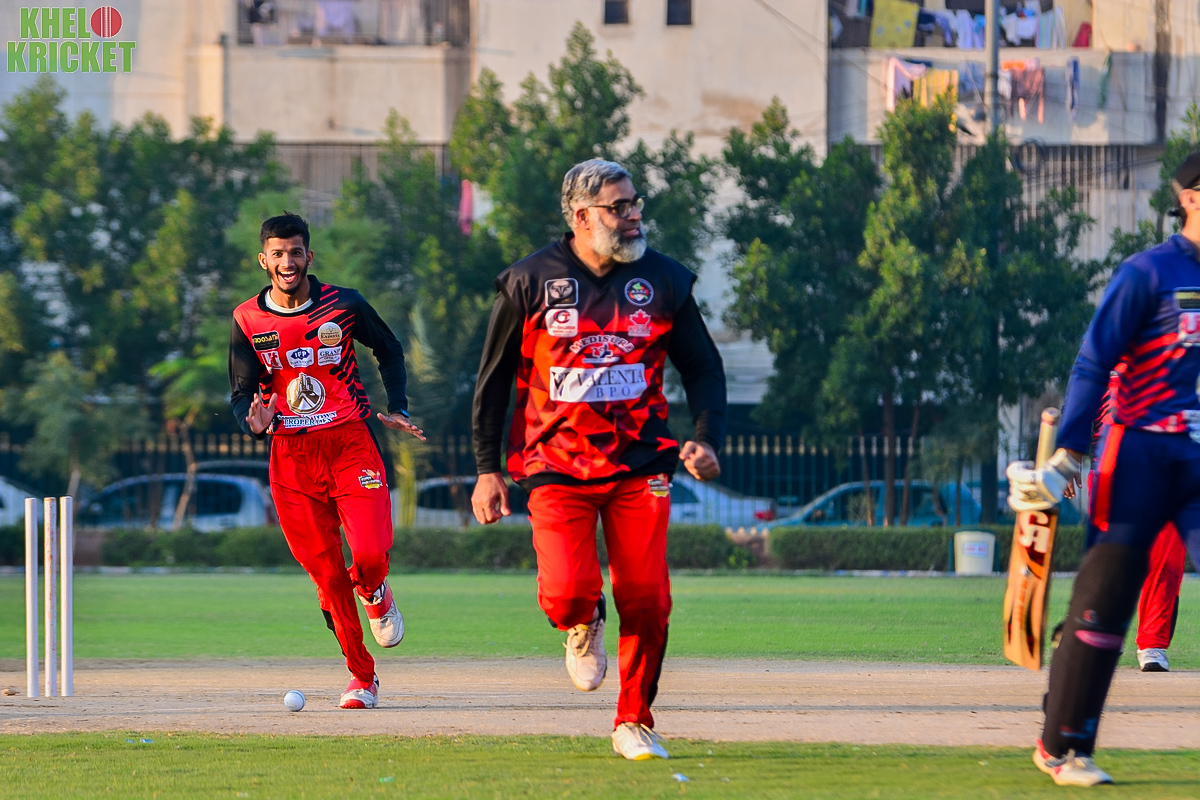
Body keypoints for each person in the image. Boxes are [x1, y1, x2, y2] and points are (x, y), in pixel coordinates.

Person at [470, 159, 727, 761]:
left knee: (648, 597)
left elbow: (703, 368)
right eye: (620, 206)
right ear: (582, 217)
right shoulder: (529, 281)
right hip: (554, 463)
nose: (634, 215)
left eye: (636, 203)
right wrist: (487, 468)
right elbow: (493, 380)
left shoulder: (664, 280)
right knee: (564, 593)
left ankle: (634, 720)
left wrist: (707, 437)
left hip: (642, 463)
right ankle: (583, 617)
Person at [1007, 152, 1200, 787]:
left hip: (1195, 454)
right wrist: (1068, 455)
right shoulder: (1148, 273)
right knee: (1104, 607)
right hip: (1136, 454)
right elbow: (1093, 363)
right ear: (1190, 198)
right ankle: (1062, 747)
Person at [228, 212, 425, 709]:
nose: (287, 262)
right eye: (277, 254)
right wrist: (253, 423)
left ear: (308, 256)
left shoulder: (345, 303)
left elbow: (390, 349)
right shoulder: (247, 319)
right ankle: (362, 676)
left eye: (295, 252)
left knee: (369, 554)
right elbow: (241, 394)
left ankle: (375, 590)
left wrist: (398, 406)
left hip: (349, 443)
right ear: (263, 260)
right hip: (291, 460)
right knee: (329, 579)